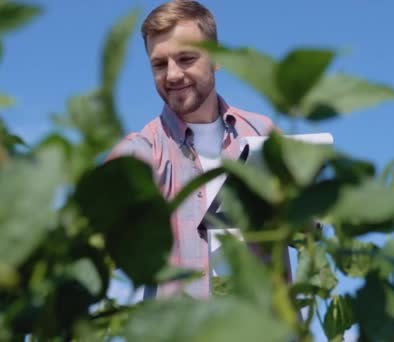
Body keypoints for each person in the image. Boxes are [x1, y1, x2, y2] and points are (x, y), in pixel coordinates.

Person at [108, 0, 282, 299]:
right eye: (159, 64)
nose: (172, 75)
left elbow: (308, 226)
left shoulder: (262, 133)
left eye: (186, 58)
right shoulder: (143, 150)